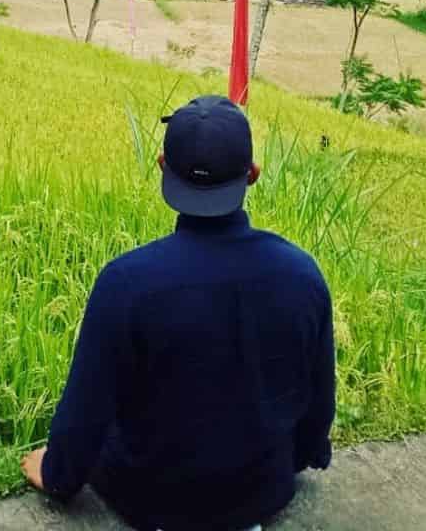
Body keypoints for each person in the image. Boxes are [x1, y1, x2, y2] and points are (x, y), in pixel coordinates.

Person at [20, 95, 335, 531]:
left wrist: (56, 474)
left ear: (162, 166)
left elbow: (87, 407)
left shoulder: (127, 283)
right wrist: (299, 459)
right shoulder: (303, 274)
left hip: (152, 500)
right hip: (263, 492)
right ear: (253, 175)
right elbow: (318, 402)